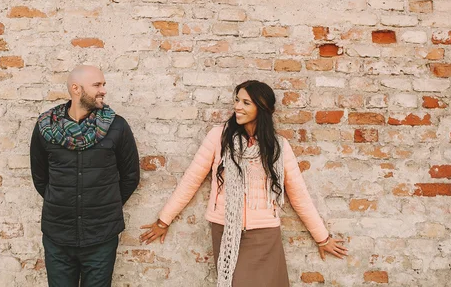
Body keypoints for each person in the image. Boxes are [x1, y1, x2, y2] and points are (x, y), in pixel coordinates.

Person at [140, 80, 347, 287]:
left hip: (265, 235)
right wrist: (163, 221)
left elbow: (299, 195)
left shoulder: (278, 147)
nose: (238, 106)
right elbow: (191, 180)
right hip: (226, 231)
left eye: (246, 103)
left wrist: (322, 238)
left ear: (262, 107)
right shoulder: (218, 137)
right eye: (237, 100)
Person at [30, 65, 140, 287]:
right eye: (97, 85)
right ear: (76, 89)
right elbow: (40, 177)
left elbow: (130, 176)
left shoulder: (117, 126)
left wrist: (105, 205)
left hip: (101, 236)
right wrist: (62, 202)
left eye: (103, 84)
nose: (103, 90)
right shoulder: (46, 127)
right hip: (58, 236)